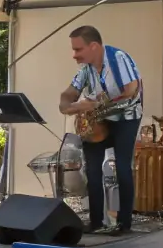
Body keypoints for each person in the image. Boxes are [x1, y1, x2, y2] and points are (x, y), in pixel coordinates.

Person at [58, 26, 143, 235]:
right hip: (99, 122)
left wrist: (94, 105)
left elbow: (131, 91)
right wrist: (73, 106)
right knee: (92, 169)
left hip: (126, 118)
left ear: (94, 46)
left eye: (78, 50)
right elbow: (66, 96)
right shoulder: (86, 70)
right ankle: (96, 222)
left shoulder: (119, 58)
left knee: (122, 167)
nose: (74, 55)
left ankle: (124, 223)